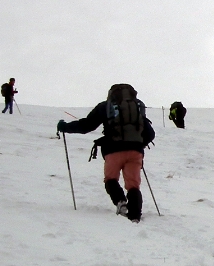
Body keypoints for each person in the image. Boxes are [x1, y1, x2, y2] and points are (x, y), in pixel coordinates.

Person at [57, 84, 155, 222]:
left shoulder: (106, 106)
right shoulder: (137, 108)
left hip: (113, 150)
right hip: (135, 152)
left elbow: (86, 126)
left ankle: (120, 201)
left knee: (110, 179)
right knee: (133, 185)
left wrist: (65, 127)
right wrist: (139, 145)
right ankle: (135, 216)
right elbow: (150, 134)